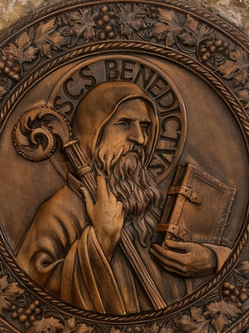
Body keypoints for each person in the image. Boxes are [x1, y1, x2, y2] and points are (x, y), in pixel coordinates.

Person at [15, 82, 229, 315]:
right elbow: (27, 295)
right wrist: (101, 240)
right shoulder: (61, 210)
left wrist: (214, 259)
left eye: (144, 126)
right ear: (93, 133)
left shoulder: (148, 200)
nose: (140, 138)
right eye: (124, 124)